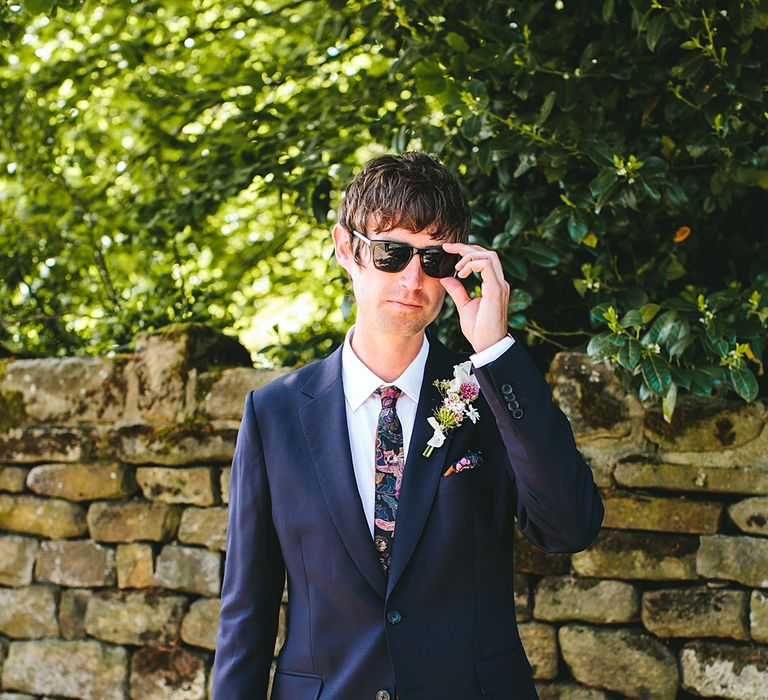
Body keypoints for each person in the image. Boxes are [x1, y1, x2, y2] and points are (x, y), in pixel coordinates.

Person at [212, 152, 604, 700]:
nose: (413, 278)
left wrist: (493, 350)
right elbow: (247, 610)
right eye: (393, 252)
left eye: (434, 258)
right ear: (348, 249)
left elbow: (570, 527)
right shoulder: (273, 414)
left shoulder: (493, 394)